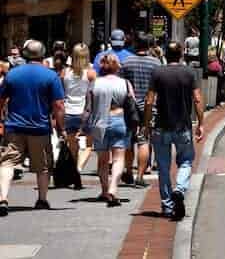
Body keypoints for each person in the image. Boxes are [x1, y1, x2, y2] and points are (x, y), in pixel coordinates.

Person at [0, 40, 65, 215]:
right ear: (43, 54)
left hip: (14, 126)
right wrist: (61, 127)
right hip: (40, 127)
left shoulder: (12, 74)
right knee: (43, 166)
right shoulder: (51, 76)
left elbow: (1, 99)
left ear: (25, 54)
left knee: (7, 162)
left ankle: (3, 198)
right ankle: (42, 199)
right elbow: (58, 105)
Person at [145, 42, 204, 220]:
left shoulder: (158, 72)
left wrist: (146, 123)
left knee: (163, 168)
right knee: (186, 161)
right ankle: (179, 188)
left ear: (166, 54)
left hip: (161, 126)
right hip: (182, 126)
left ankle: (167, 206)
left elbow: (149, 101)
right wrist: (201, 123)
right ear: (181, 54)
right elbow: (198, 99)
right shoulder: (189, 72)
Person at [86, 53, 134, 206]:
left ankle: (105, 190)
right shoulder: (125, 83)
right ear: (117, 66)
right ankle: (114, 188)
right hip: (119, 120)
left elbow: (88, 107)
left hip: (100, 121)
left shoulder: (94, 83)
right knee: (119, 158)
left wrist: (84, 126)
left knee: (102, 159)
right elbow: (131, 102)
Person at [121, 34, 161, 187]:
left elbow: (121, 84)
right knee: (144, 140)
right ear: (149, 46)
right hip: (149, 106)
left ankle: (129, 172)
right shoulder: (156, 63)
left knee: (129, 141)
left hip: (129, 106)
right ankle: (140, 176)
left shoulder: (126, 62)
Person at [63, 43, 97, 177]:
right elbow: (95, 93)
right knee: (89, 144)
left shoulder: (65, 72)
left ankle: (74, 166)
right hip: (85, 113)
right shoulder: (91, 73)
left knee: (72, 144)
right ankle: (78, 167)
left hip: (68, 111)